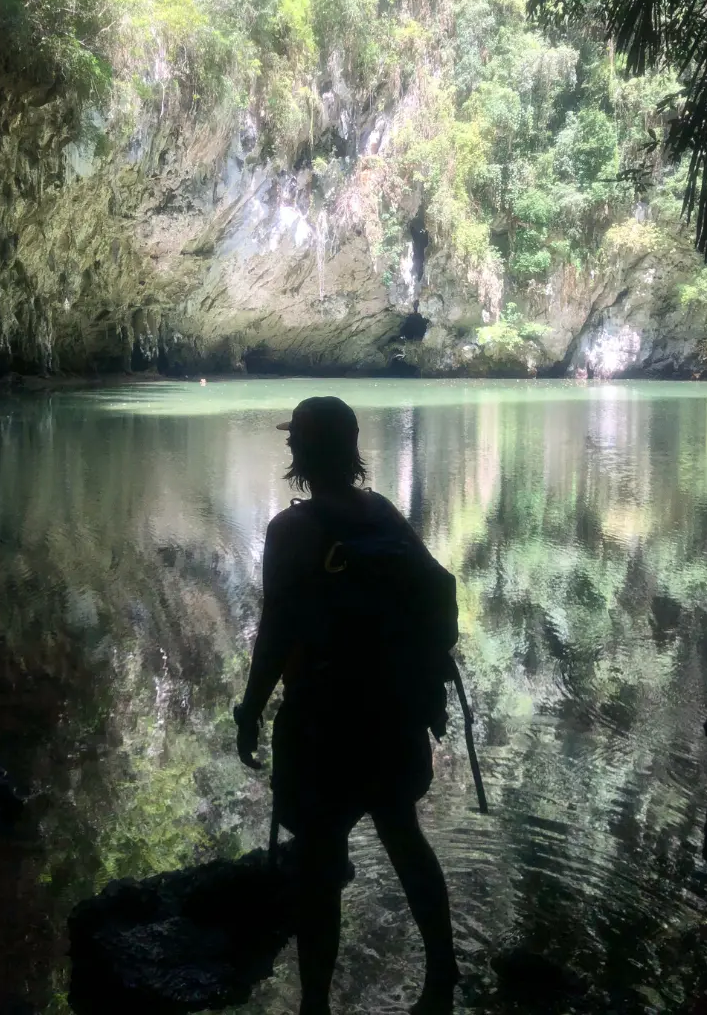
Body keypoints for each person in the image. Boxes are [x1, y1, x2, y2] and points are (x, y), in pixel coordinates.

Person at [233, 396, 459, 1015]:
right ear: (353, 450)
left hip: (324, 725)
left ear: (302, 454)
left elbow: (276, 631)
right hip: (391, 715)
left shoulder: (289, 531)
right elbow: (433, 589)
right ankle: (443, 971)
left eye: (293, 442)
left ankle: (314, 1003)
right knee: (404, 837)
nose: (287, 449)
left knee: (319, 864)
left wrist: (251, 711)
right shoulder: (382, 513)